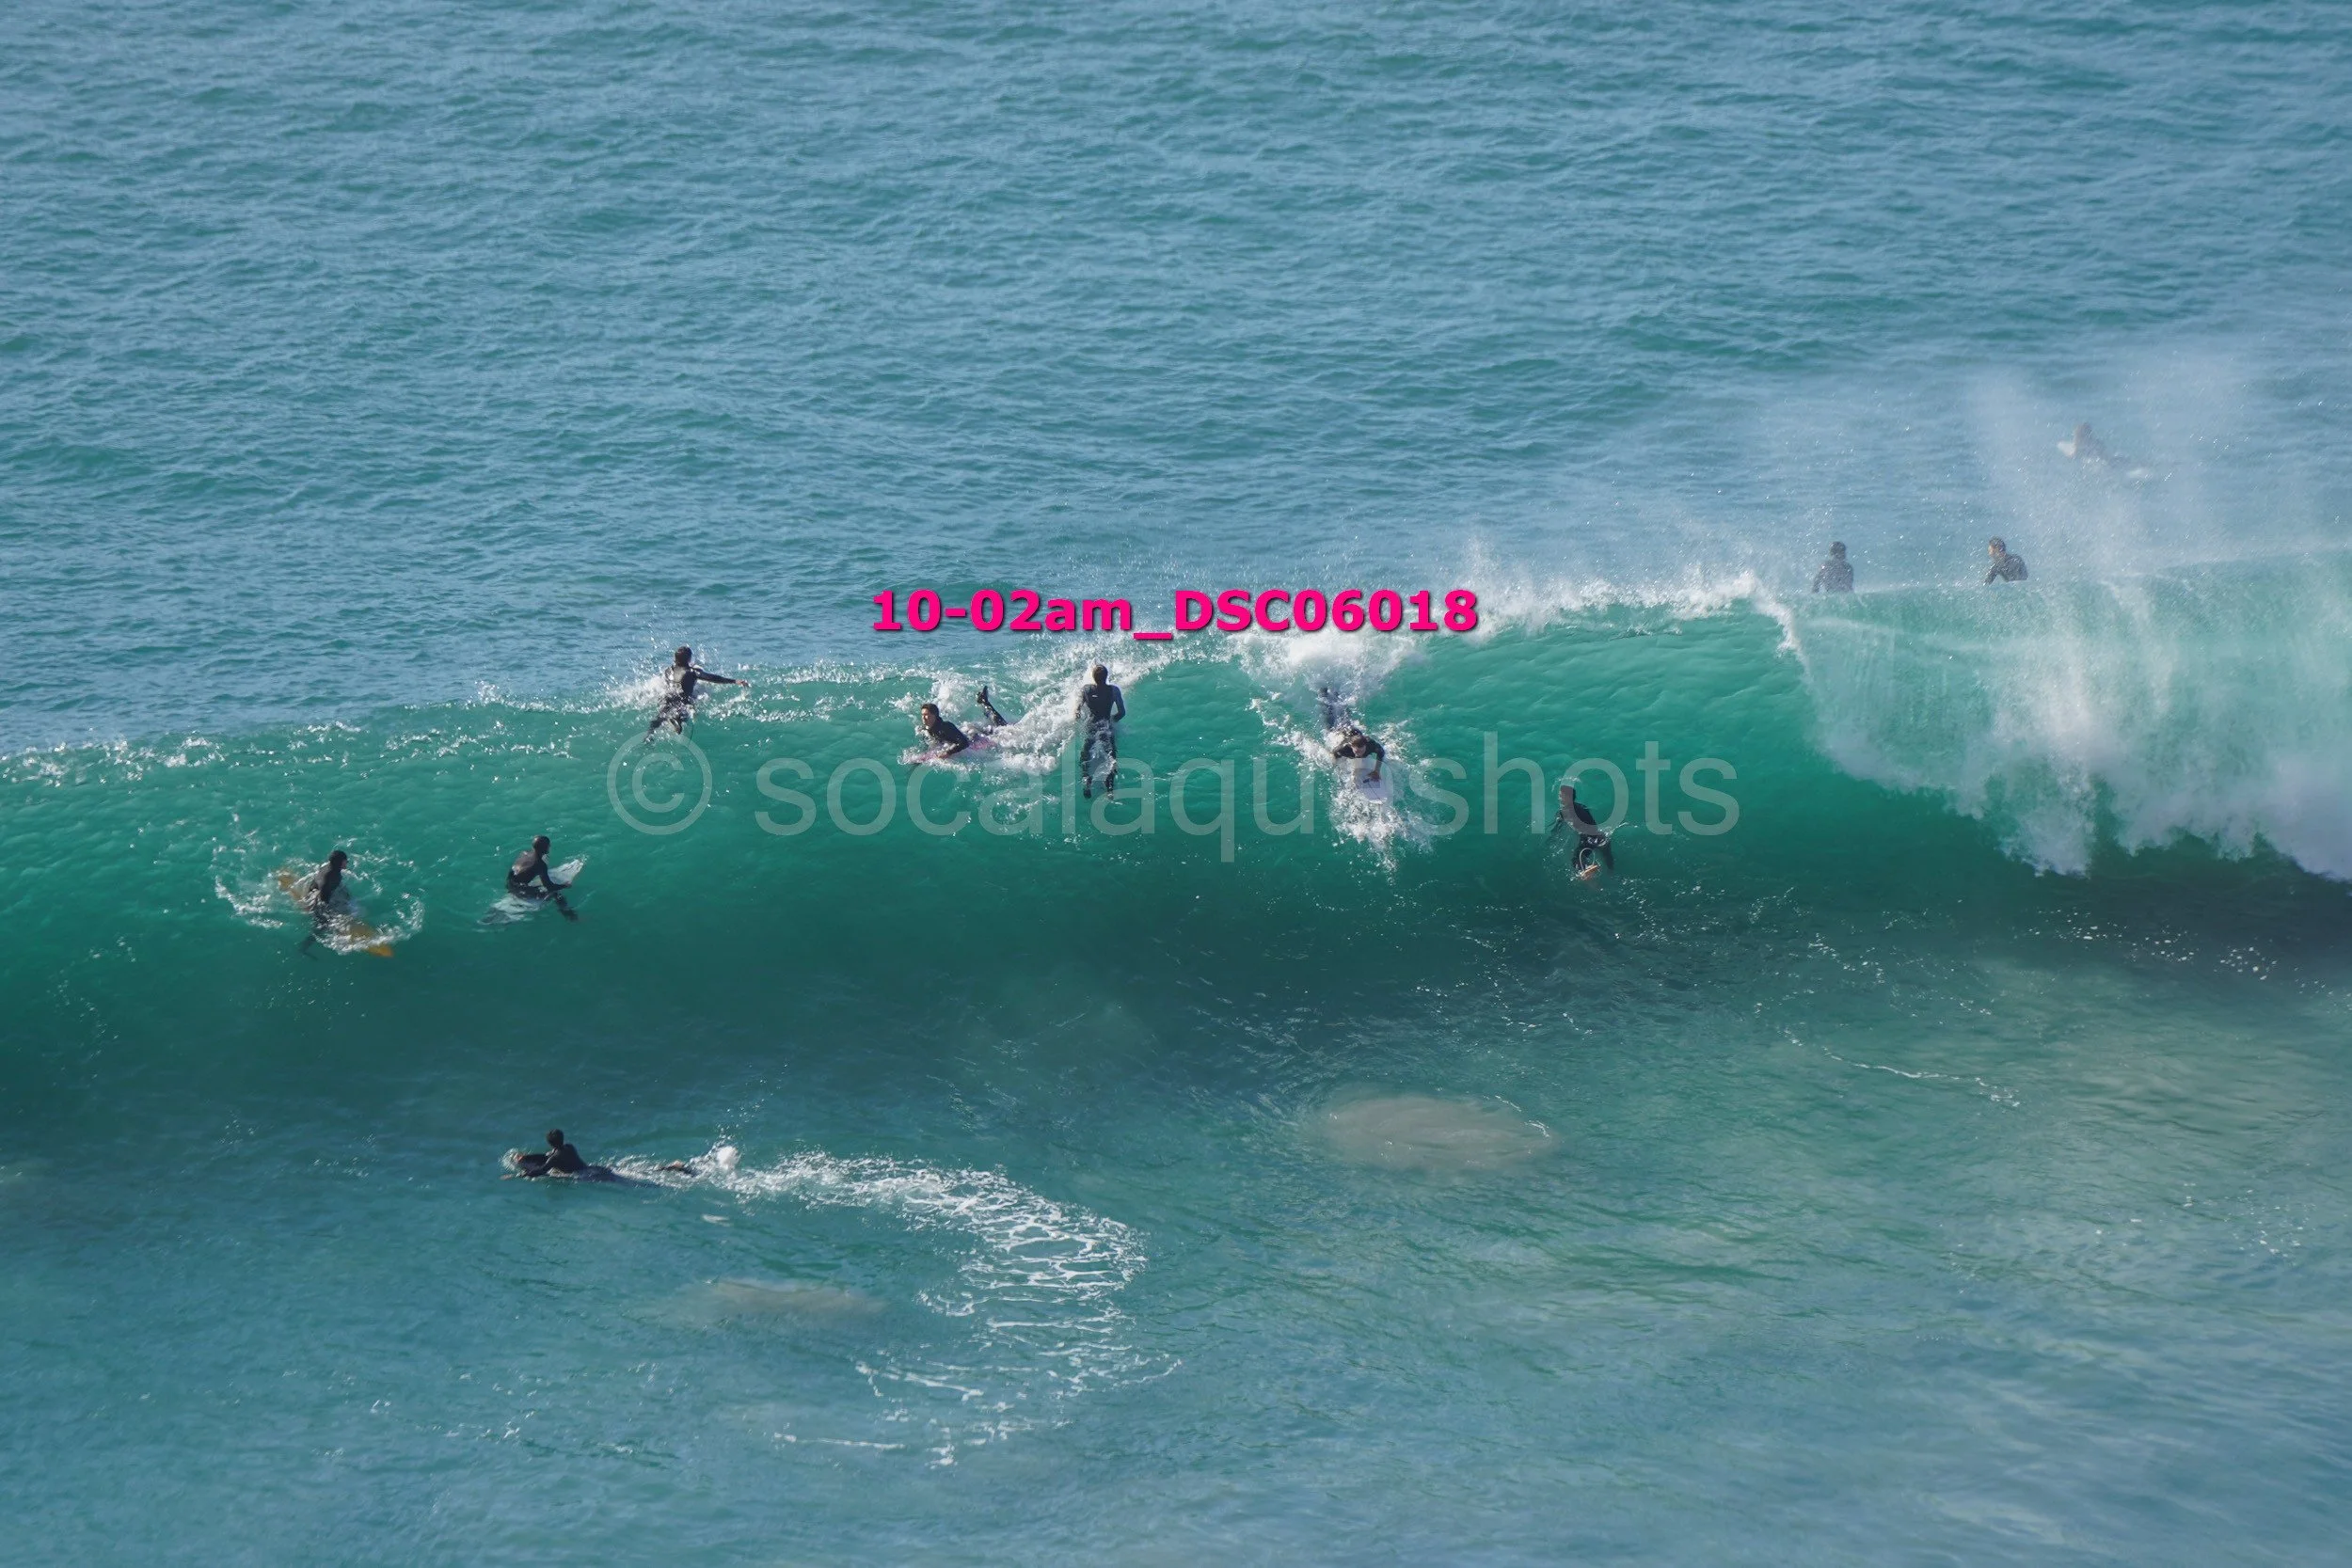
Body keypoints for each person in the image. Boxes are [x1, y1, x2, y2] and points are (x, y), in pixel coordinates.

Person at [647, 645, 747, 736]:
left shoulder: (668, 670)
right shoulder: (692, 672)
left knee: (660, 716)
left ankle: (649, 734)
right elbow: (712, 678)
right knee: (683, 713)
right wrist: (734, 681)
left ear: (675, 659)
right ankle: (677, 719)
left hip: (668, 696)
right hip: (683, 698)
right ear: (689, 659)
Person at [916, 688, 1014, 759]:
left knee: (1003, 728)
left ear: (934, 715)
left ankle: (985, 702)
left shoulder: (945, 727)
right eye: (922, 715)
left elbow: (964, 743)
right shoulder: (926, 728)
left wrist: (948, 752)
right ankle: (984, 704)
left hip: (975, 738)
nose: (924, 718)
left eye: (927, 715)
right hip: (968, 732)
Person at [1074, 665, 1125, 799]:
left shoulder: (1086, 690)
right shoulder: (1114, 691)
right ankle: (1109, 787)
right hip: (1106, 726)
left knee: (1084, 756)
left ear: (1093, 677)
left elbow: (1077, 712)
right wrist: (1111, 720)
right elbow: (1121, 713)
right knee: (1112, 756)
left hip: (1091, 725)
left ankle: (1086, 779)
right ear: (1107, 676)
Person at [1549, 783, 1613, 876]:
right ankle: (1611, 872)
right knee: (1608, 861)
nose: (1559, 798)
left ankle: (1587, 871)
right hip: (1602, 837)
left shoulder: (1563, 812)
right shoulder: (1582, 807)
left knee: (1576, 860)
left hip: (1589, 840)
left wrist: (1552, 836)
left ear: (1568, 797)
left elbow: (1558, 827)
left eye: (1560, 796)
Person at [507, 835, 577, 921]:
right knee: (555, 893)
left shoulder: (524, 853)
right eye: (548, 845)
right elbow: (549, 886)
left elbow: (513, 871)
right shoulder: (540, 864)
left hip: (510, 883)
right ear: (544, 848)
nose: (550, 847)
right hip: (520, 890)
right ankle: (569, 915)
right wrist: (565, 885)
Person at [514, 1129, 619, 1180]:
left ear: (550, 1144)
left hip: (585, 1176)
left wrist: (520, 1175)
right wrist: (527, 1157)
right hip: (592, 1169)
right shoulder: (569, 1147)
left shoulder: (554, 1159)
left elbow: (542, 1170)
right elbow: (548, 1155)